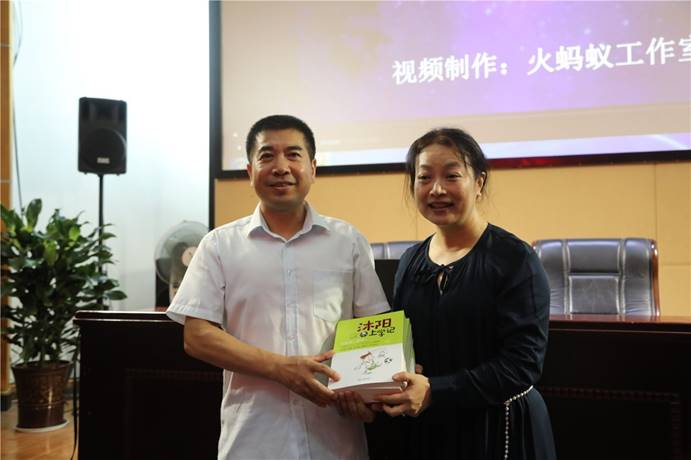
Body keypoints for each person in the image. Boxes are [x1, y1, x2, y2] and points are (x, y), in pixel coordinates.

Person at [166, 114, 390, 460]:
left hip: (336, 442)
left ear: (313, 169)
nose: (281, 167)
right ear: (249, 171)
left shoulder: (348, 241)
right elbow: (196, 336)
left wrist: (368, 396)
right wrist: (280, 369)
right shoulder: (219, 245)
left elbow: (374, 329)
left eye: (293, 155)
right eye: (267, 155)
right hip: (253, 441)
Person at [356, 127, 557, 459]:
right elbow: (404, 346)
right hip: (431, 430)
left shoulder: (514, 259)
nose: (437, 189)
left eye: (451, 176)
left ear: (478, 183)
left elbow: (522, 365)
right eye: (424, 178)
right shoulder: (410, 261)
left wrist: (436, 390)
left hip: (499, 429)